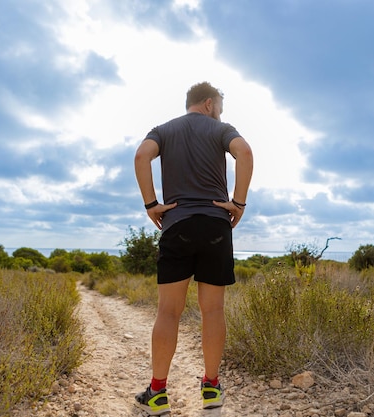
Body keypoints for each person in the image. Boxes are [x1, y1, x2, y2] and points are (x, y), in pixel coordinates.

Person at [133, 81, 253, 415]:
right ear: (210, 104)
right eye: (220, 109)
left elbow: (142, 156)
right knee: (212, 310)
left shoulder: (163, 130)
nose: (219, 115)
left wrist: (151, 204)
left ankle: (157, 393)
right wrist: (238, 203)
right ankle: (212, 389)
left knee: (168, 311)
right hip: (216, 224)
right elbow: (244, 152)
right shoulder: (221, 129)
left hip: (177, 223)